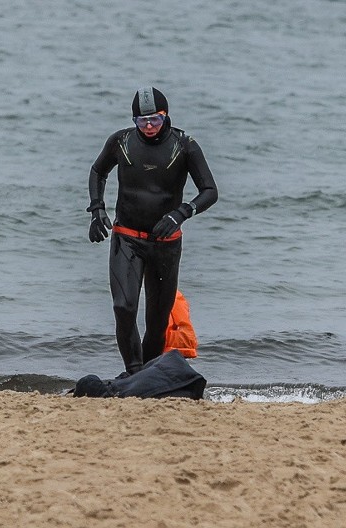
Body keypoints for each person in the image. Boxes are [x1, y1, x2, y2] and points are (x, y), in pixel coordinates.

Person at [87, 87, 217, 375]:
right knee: (124, 307)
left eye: (155, 120)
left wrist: (181, 213)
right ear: (134, 119)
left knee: (158, 321)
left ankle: (146, 374)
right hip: (127, 238)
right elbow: (98, 171)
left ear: (165, 115)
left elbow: (210, 191)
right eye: (141, 120)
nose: (148, 126)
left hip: (165, 244)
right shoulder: (120, 141)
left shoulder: (185, 145)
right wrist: (97, 209)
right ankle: (134, 372)